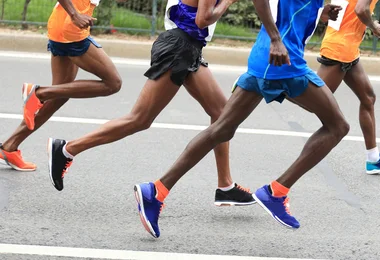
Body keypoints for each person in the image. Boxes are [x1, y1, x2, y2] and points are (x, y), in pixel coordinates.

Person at [133, 0, 347, 238]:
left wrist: (320, 12)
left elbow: (289, 8)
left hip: (263, 61)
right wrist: (276, 39)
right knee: (337, 127)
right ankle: (277, 192)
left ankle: (156, 190)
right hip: (283, 63)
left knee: (221, 130)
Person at [47, 0, 255, 209]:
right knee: (139, 119)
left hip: (188, 46)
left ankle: (225, 186)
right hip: (179, 47)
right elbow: (202, 20)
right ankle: (67, 149)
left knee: (222, 114)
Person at [0, 0, 122, 172]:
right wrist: (74, 14)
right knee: (113, 83)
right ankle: (39, 93)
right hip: (71, 27)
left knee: (59, 96)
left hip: (65, 25)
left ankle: (10, 146)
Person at [311, 0, 380, 174]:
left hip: (348, 49)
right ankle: (275, 84)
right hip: (339, 51)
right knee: (312, 100)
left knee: (368, 98)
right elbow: (361, 9)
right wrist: (374, 25)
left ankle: (374, 158)